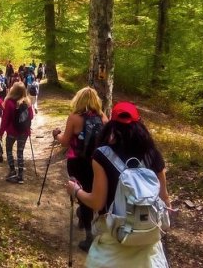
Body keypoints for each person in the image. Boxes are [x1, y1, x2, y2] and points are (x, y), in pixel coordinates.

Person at [66, 101, 171, 267]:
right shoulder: (153, 154)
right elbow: (164, 199)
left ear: (112, 125)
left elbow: (97, 202)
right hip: (148, 244)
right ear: (139, 123)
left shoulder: (102, 155)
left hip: (114, 240)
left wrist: (76, 190)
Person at [52, 87, 108, 252]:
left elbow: (65, 141)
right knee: (92, 191)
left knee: (80, 191)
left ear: (79, 99)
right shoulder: (103, 118)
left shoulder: (74, 118)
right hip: (97, 162)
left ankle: (89, 234)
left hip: (77, 162)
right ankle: (86, 220)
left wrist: (56, 135)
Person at [0, 82, 34, 184]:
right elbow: (31, 117)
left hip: (12, 131)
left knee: (9, 149)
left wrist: (1, 132)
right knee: (20, 152)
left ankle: (12, 170)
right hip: (24, 132)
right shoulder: (27, 102)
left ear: (13, 90)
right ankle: (20, 176)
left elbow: (5, 119)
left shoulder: (9, 102)